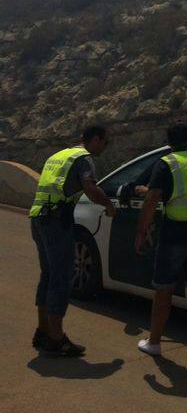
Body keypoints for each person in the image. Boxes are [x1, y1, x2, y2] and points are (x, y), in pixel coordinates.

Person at [135, 123, 187, 371]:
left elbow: (152, 199)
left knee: (164, 290)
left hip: (176, 233)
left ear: (168, 141)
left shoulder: (167, 163)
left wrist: (141, 231)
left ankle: (155, 342)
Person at [29, 124, 116, 356]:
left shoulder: (59, 155)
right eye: (106, 142)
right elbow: (90, 188)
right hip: (57, 221)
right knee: (62, 275)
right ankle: (56, 339)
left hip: (39, 218)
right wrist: (108, 205)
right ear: (95, 139)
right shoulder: (84, 159)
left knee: (48, 274)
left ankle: (43, 330)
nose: (106, 147)